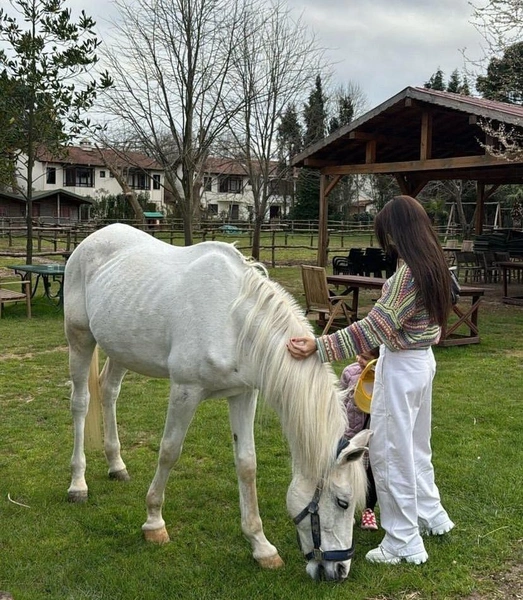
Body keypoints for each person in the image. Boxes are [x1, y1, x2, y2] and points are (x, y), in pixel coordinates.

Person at [287, 195, 455, 565]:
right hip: (423, 362)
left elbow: (374, 327)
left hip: (402, 367)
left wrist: (320, 346)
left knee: (390, 454)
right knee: (415, 446)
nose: (386, 242)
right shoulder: (436, 265)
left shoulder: (407, 275)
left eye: (388, 235)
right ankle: (431, 514)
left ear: (398, 232)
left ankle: (403, 540)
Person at [340, 348, 380, 531]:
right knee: (346, 471)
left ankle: (369, 510)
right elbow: (340, 399)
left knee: (371, 473)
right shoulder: (350, 372)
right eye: (358, 354)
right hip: (350, 432)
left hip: (373, 435)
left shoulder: (383, 376)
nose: (359, 359)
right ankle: (347, 508)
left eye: (365, 358)